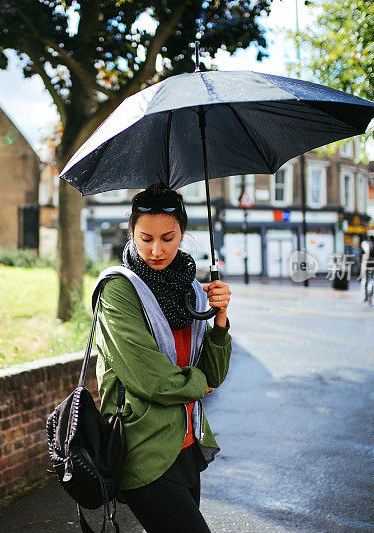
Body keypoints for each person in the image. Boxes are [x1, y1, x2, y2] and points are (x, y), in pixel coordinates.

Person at [93, 183, 232, 533]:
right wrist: (198, 385)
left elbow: (214, 374)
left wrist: (220, 318)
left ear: (182, 234)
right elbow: (151, 379)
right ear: (131, 234)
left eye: (168, 238)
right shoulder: (117, 291)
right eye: (146, 238)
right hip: (144, 452)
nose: (156, 250)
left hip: (187, 446)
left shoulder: (190, 291)